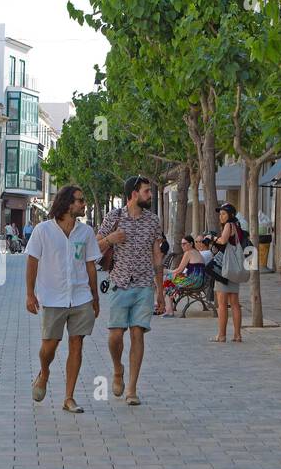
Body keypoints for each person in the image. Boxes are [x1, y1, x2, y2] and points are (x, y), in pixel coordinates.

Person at [26, 186, 100, 414]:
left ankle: (69, 397)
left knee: (77, 344)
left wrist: (95, 296)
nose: (84, 204)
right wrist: (30, 294)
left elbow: (90, 266)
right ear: (68, 204)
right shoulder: (43, 230)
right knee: (49, 346)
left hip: (80, 296)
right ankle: (44, 372)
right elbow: (32, 262)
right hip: (52, 296)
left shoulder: (86, 232)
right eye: (80, 200)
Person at [96, 176, 165, 405]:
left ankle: (132, 389)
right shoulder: (114, 217)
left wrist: (161, 292)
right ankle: (118, 369)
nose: (150, 195)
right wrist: (110, 238)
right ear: (134, 194)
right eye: (146, 191)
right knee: (115, 336)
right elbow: (95, 246)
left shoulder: (153, 221)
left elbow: (157, 257)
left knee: (137, 334)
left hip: (144, 285)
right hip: (119, 283)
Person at [210, 203, 246, 343]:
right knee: (235, 303)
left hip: (225, 269)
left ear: (230, 215)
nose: (221, 216)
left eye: (224, 214)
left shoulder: (228, 225)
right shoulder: (237, 227)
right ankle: (237, 335)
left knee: (222, 303)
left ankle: (222, 335)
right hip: (235, 269)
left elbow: (223, 240)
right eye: (220, 214)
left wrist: (212, 238)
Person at [164, 234, 207, 314]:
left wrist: (167, 272)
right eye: (181, 244)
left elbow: (180, 270)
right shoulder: (196, 252)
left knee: (168, 280)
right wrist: (170, 273)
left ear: (191, 244)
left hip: (193, 280)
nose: (182, 246)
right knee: (169, 279)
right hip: (199, 280)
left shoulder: (188, 253)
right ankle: (166, 306)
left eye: (184, 244)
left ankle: (168, 309)